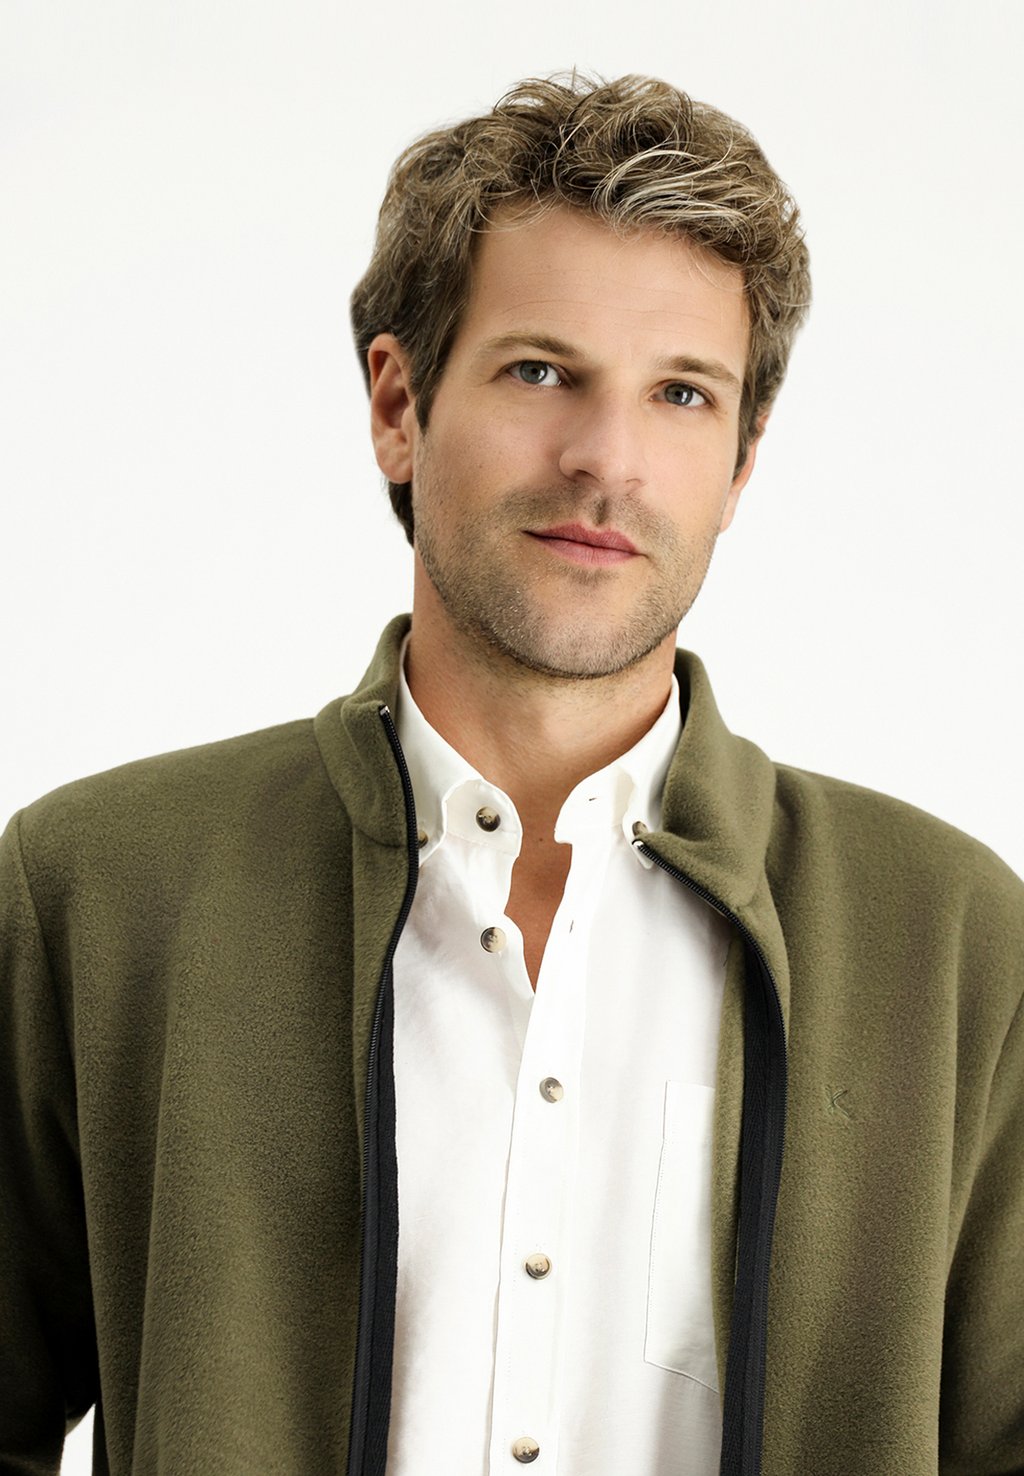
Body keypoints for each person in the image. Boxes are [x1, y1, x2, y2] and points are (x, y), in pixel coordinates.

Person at [1, 67, 1021, 1476]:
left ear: (741, 462)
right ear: (398, 404)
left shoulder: (950, 941)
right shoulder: (102, 891)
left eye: (681, 394)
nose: (609, 462)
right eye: (542, 372)